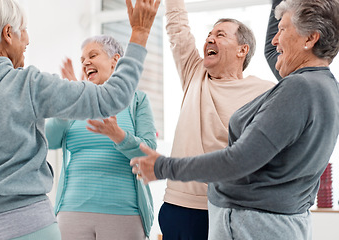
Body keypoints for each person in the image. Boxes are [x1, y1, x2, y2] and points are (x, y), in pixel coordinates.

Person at [0, 0, 160, 239]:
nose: (27, 39)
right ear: (8, 34)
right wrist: (140, 32)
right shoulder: (28, 85)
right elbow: (114, 97)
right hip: (30, 227)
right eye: (23, 30)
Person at [131, 0, 339, 239]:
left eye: (282, 30)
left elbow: (240, 160)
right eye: (209, 33)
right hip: (196, 207)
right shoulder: (320, 85)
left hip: (250, 220)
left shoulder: (282, 89)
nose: (274, 39)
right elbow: (179, 29)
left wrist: (163, 166)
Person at [158, 0, 275, 239]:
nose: (209, 39)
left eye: (220, 35)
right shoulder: (195, 73)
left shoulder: (264, 92)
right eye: (209, 34)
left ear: (242, 50)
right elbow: (178, 29)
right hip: (176, 205)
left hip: (224, 210)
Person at [46, 35, 157, 240]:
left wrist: (119, 136)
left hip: (124, 211)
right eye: (82, 60)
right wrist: (68, 103)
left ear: (115, 61)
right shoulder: (76, 100)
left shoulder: (137, 100)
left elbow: (149, 150)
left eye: (93, 55)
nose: (85, 62)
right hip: (72, 210)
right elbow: (49, 141)